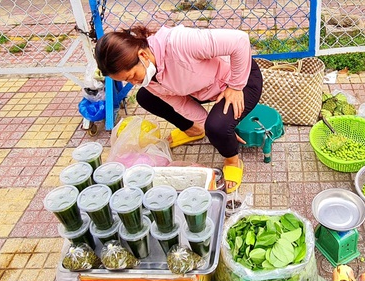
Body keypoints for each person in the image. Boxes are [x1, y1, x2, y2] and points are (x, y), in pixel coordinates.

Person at [95, 25, 263, 194]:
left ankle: (233, 161)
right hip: (204, 88)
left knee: (217, 127)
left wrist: (235, 87)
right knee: (145, 97)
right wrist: (207, 126)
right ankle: (194, 130)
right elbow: (179, 103)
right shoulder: (150, 75)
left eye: (131, 76)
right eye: (126, 80)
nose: (133, 82)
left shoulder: (179, 43)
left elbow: (240, 40)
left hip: (240, 80)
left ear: (143, 55)